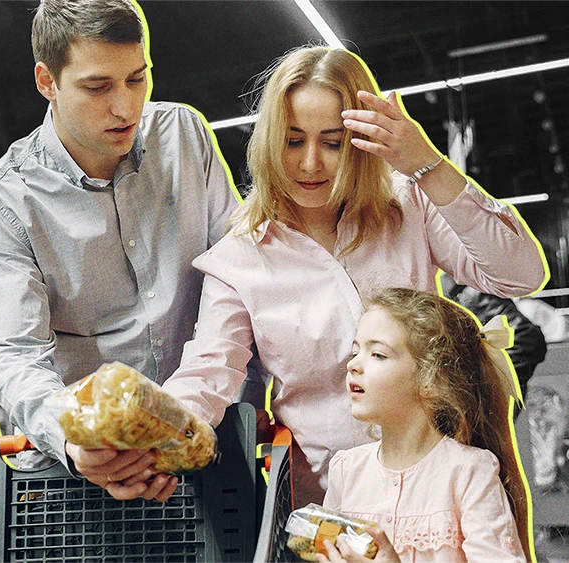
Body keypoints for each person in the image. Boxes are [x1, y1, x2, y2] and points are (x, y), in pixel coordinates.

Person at [162, 46, 547, 505]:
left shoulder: (409, 207)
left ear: (362, 142)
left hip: (439, 492)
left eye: (332, 142)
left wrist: (428, 165)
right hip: (329, 511)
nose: (310, 164)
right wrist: (150, 436)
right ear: (268, 140)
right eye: (293, 139)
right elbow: (208, 371)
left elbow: (521, 274)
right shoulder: (241, 258)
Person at [0, 0, 240, 502]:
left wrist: (195, 408)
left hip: (208, 442)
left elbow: (235, 280)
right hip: (88, 479)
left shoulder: (183, 135)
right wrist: (75, 443)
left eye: (137, 78)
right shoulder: (1, 204)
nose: (126, 106)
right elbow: (13, 354)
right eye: (98, 87)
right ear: (47, 81)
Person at [318, 287, 532, 563]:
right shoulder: (346, 471)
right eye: (356, 351)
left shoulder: (469, 473)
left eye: (378, 355)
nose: (353, 365)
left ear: (432, 380)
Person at [441, 272, 548, 397]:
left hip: (478, 405)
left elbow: (525, 339)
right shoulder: (461, 297)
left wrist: (486, 388)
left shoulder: (471, 295)